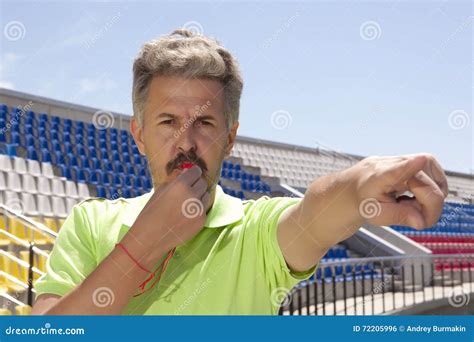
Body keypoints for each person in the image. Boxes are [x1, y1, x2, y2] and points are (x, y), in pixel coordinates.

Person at [32, 29, 448, 315]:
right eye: (167, 122)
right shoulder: (90, 222)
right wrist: (143, 245)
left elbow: (314, 215)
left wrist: (359, 187)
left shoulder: (255, 230)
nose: (186, 141)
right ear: (139, 135)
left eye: (205, 123)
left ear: (230, 138)